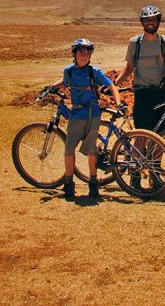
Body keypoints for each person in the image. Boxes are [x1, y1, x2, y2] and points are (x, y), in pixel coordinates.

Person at [46, 38, 121, 199]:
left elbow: (111, 86)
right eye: (81, 52)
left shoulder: (94, 72)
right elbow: (65, 82)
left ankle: (93, 185)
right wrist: (51, 87)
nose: (85, 56)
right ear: (74, 54)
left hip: (92, 115)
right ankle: (69, 185)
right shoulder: (70, 71)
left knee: (91, 150)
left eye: (88, 53)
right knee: (68, 150)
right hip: (76, 115)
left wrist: (119, 103)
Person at [114, 5, 165, 135]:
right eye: (147, 19)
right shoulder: (134, 43)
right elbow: (129, 66)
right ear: (142, 22)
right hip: (142, 93)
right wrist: (115, 84)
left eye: (153, 19)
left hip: (161, 92)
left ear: (158, 21)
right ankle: (138, 156)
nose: (150, 22)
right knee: (141, 133)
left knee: (161, 133)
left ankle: (156, 157)